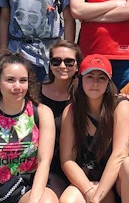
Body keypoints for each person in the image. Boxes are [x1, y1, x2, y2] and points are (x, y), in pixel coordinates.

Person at [59, 54, 129, 203]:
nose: (95, 83)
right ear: (80, 79)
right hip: (90, 178)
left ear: (109, 82)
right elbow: (67, 159)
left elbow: (119, 155)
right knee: (68, 200)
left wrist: (97, 197)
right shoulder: (71, 111)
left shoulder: (120, 106)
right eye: (90, 77)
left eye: (101, 77)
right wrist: (89, 191)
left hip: (122, 181)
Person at [0, 53, 58, 203]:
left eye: (22, 80)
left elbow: (44, 161)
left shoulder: (42, 113)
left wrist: (34, 200)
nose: (17, 86)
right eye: (10, 80)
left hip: (29, 186)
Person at [40, 39, 82, 195]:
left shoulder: (85, 95)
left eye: (69, 62)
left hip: (76, 165)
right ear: (50, 64)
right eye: (56, 61)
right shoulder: (34, 92)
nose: (62, 66)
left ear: (77, 65)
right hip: (44, 166)